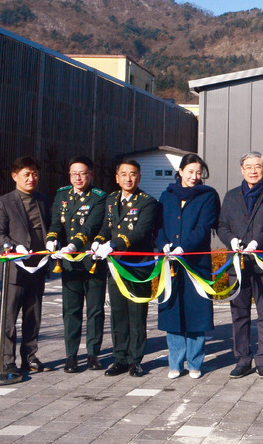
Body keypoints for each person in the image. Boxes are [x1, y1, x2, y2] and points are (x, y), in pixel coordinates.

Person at [216, 151, 263, 379]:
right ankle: (243, 359)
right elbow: (222, 225)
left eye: (258, 166)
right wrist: (231, 240)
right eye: (248, 167)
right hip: (237, 263)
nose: (253, 171)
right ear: (242, 170)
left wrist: (258, 242)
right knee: (239, 312)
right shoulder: (231, 196)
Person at [93, 159, 160, 377]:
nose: (128, 178)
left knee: (136, 313)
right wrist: (98, 240)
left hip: (138, 266)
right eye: (124, 174)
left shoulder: (147, 202)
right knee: (118, 313)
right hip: (116, 266)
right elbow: (107, 226)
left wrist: (112, 244)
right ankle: (119, 359)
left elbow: (140, 232)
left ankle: (135, 360)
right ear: (117, 177)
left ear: (139, 177)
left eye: (132, 174)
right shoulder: (111, 199)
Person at [156, 154, 220, 379]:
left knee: (196, 313)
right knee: (172, 311)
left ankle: (194, 362)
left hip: (196, 263)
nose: (194, 177)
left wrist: (183, 247)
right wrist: (163, 244)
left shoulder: (208, 196)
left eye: (199, 172)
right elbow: (159, 226)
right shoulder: (167, 196)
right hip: (170, 263)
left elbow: (203, 228)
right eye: (190, 171)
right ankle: (175, 363)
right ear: (180, 171)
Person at [45, 156, 107, 373]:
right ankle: (71, 356)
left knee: (95, 310)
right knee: (71, 310)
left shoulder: (99, 197)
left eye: (82, 173)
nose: (78, 177)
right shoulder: (62, 194)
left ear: (91, 174)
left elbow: (90, 227)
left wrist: (73, 245)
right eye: (74, 174)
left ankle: (93, 354)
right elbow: (56, 222)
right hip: (69, 264)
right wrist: (51, 238)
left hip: (92, 261)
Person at [0, 156, 50, 374]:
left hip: (37, 267)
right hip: (13, 270)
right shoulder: (3, 202)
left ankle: (30, 357)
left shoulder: (43, 200)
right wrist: (13, 247)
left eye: (34, 173)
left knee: (33, 317)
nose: (31, 178)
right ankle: (8, 361)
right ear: (15, 176)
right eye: (26, 174)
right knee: (9, 318)